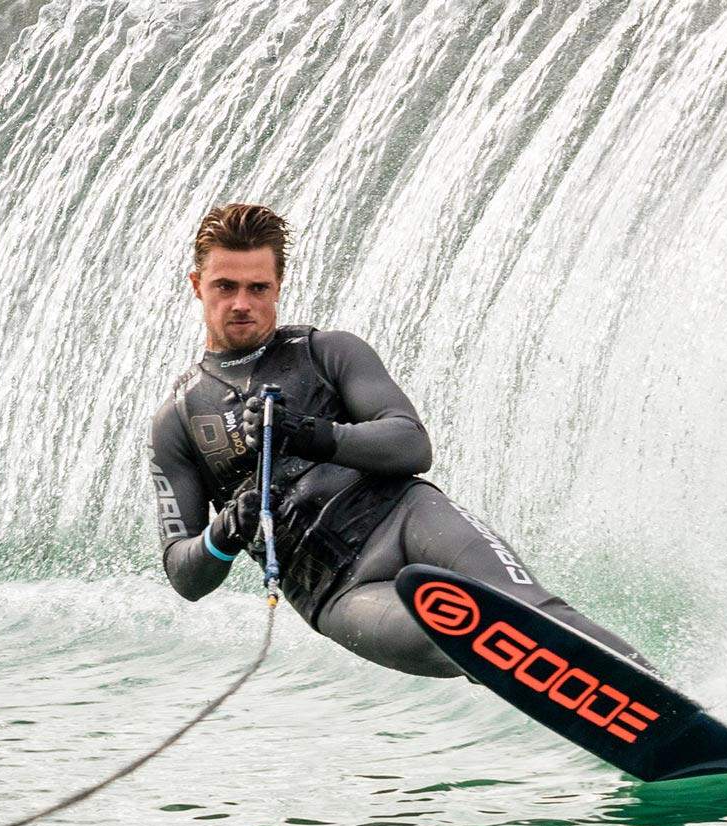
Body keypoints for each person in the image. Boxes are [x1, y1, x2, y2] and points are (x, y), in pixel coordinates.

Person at [149, 203, 647, 678]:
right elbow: (184, 575)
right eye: (225, 286)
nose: (242, 303)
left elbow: (411, 445)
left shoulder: (329, 353)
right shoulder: (178, 421)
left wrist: (309, 433)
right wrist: (226, 531)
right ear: (197, 285)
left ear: (279, 286)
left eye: (258, 287)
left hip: (408, 516)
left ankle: (675, 708)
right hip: (339, 591)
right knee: (463, 637)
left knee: (533, 614)